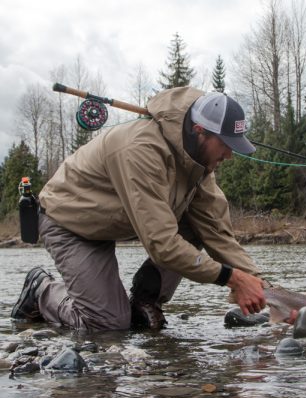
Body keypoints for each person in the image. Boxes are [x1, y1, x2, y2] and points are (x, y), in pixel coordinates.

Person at [11, 86, 267, 331]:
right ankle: (41, 290)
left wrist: (270, 292)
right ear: (200, 131)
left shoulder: (199, 163)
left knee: (197, 225)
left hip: (112, 222)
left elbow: (217, 232)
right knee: (107, 324)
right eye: (226, 144)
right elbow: (162, 245)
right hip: (69, 223)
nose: (230, 155)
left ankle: (145, 300)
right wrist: (232, 278)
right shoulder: (141, 150)